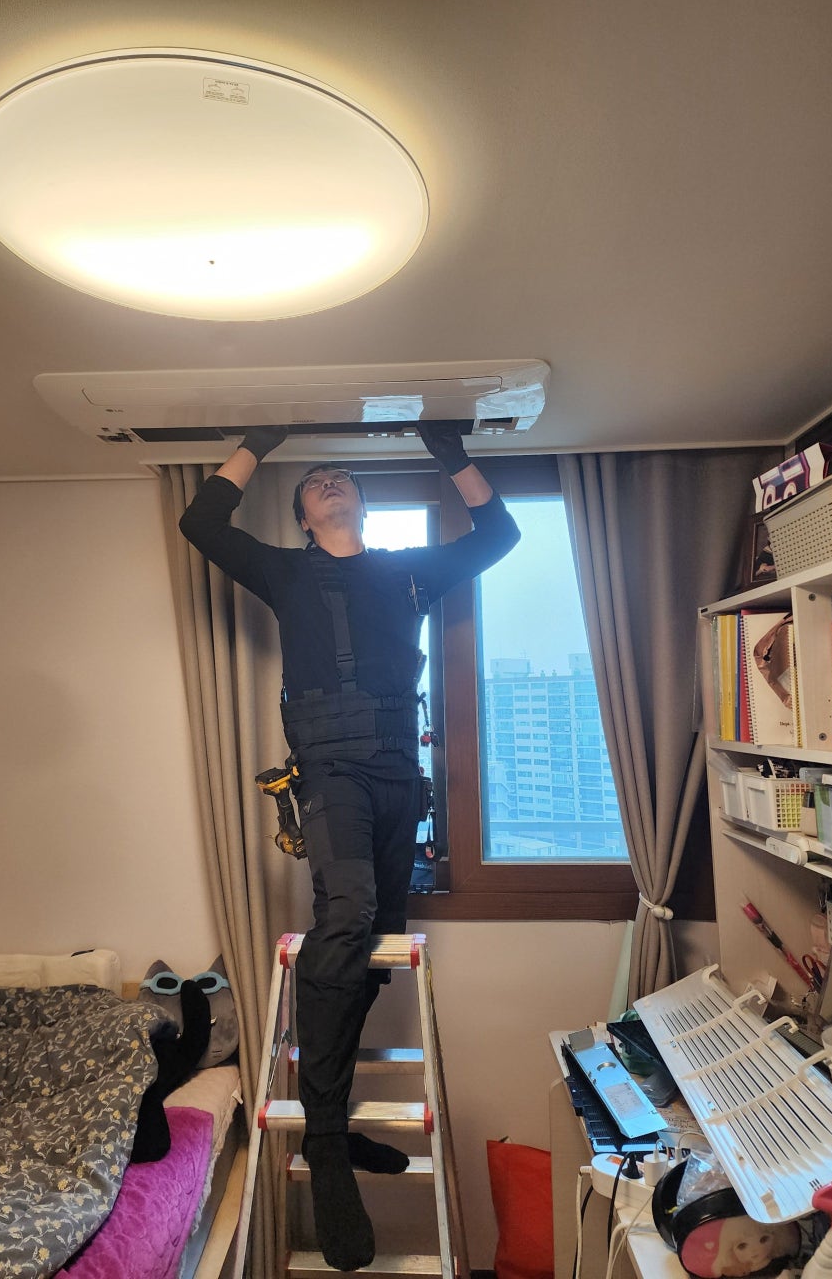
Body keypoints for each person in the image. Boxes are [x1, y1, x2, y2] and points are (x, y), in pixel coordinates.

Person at [179, 420, 520, 1271]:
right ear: (302, 516)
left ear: (363, 506)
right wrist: (260, 441)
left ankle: (331, 1121)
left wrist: (452, 455)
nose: (330, 480)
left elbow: (499, 536)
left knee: (370, 947)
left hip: (400, 776)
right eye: (315, 481)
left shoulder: (409, 571)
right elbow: (201, 522)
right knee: (348, 915)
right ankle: (327, 1144)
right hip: (330, 776)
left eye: (342, 478)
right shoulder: (286, 570)